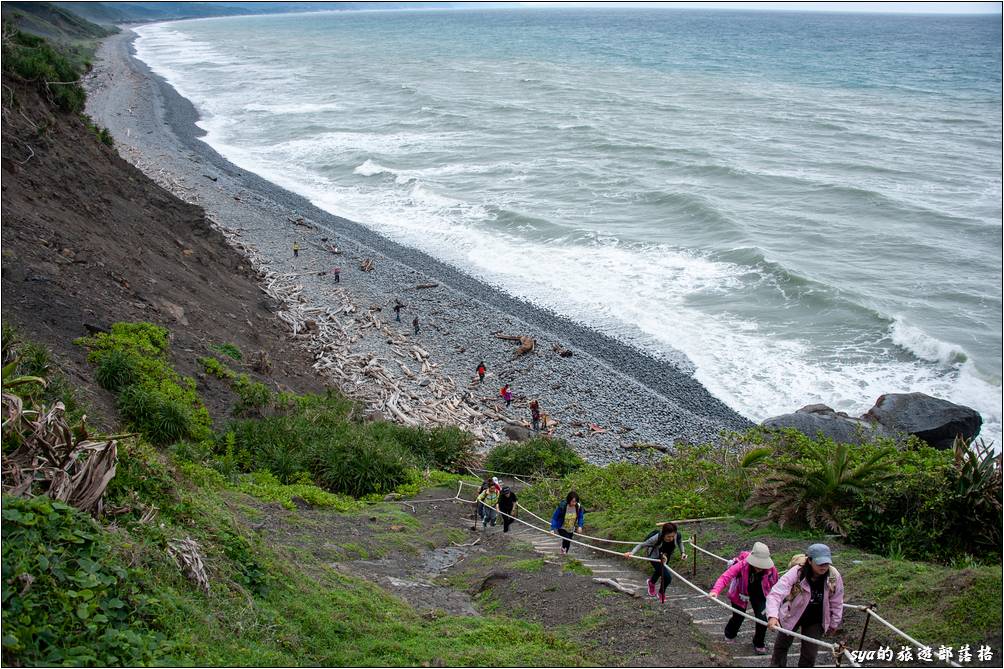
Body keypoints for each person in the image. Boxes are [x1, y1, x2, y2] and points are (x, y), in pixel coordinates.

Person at [766, 543, 844, 668]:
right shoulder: (797, 572)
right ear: (809, 560)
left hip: (816, 619)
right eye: (820, 563)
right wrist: (772, 616)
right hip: (792, 613)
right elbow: (776, 593)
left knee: (810, 655)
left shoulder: (833, 576)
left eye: (826, 563)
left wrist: (834, 623)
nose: (824, 567)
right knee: (781, 647)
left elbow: (837, 601)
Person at [709, 542, 778, 655]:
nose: (760, 567)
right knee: (738, 616)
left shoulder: (771, 570)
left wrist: (775, 607)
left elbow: (776, 586)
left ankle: (758, 643)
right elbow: (725, 577)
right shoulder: (742, 565)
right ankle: (730, 634)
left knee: (762, 619)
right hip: (740, 592)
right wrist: (715, 591)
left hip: (760, 594)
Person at [624, 522, 687, 604]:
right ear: (664, 534)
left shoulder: (677, 535)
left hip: (666, 556)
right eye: (668, 537)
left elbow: (680, 542)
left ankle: (651, 582)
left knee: (659, 572)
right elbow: (641, 545)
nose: (671, 538)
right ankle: (661, 593)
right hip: (654, 557)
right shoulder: (656, 538)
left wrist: (682, 552)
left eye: (672, 536)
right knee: (667, 577)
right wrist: (632, 553)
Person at [549, 491, 584, 555]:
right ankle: (563, 550)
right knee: (566, 538)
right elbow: (555, 517)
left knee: (568, 542)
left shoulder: (578, 507)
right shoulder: (562, 506)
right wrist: (552, 528)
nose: (574, 503)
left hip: (571, 528)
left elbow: (580, 517)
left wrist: (580, 526)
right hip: (562, 527)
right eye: (573, 501)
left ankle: (564, 553)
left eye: (576, 501)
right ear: (569, 500)